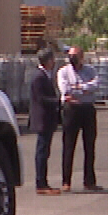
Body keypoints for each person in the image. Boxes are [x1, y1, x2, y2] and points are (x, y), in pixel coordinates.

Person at [57, 45, 102, 191]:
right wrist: (82, 88)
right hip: (71, 111)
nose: (72, 58)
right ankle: (66, 181)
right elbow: (65, 90)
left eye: (75, 56)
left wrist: (79, 87)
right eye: (70, 56)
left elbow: (96, 85)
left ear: (81, 57)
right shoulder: (63, 71)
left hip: (87, 109)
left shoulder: (90, 70)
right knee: (69, 145)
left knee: (89, 146)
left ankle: (89, 181)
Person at [28, 46, 62, 194]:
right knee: (41, 152)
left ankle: (44, 182)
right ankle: (40, 183)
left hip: (48, 119)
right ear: (47, 60)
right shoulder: (39, 76)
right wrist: (59, 101)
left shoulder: (46, 75)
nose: (54, 62)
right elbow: (41, 99)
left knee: (45, 152)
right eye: (52, 59)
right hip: (42, 119)